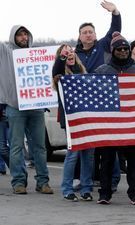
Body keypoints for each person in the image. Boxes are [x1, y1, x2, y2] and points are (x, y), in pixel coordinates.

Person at [95, 32, 135, 205]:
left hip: (133, 123)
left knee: (133, 161)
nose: (124, 51)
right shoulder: (101, 71)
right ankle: (104, 194)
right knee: (107, 161)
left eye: (126, 48)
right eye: (120, 49)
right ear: (113, 50)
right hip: (110, 124)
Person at [74, 0, 122, 190]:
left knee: (108, 143)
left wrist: (115, 12)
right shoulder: (73, 53)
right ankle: (85, 178)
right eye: (84, 32)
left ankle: (113, 180)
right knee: (86, 144)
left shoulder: (102, 46)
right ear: (79, 36)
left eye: (90, 31)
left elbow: (114, 31)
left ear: (95, 35)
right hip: (84, 105)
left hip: (104, 102)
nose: (88, 34)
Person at [0, 25, 53, 195]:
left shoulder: (36, 54)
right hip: (15, 107)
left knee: (39, 147)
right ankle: (18, 182)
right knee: (16, 146)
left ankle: (43, 182)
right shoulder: (5, 52)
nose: (23, 37)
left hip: (36, 107)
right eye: (19, 35)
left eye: (25, 34)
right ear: (13, 37)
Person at [52, 44, 95, 202]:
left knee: (88, 155)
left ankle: (86, 188)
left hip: (87, 119)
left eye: (70, 51)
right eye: (65, 52)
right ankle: (67, 189)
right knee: (73, 154)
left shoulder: (83, 71)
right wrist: (61, 58)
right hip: (71, 120)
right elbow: (56, 71)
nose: (69, 53)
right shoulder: (60, 75)